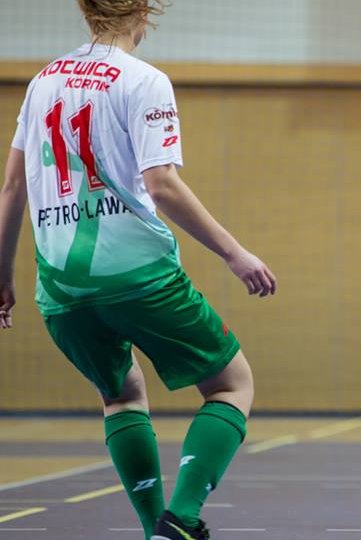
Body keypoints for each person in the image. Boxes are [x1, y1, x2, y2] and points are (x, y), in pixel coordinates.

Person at [0, 2, 277, 539]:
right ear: (142, 13)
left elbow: (12, 188)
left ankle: (157, 531)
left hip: (59, 285)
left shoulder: (41, 83)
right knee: (231, 383)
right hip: (136, 275)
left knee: (122, 396)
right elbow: (162, 185)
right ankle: (184, 514)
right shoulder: (143, 81)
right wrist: (234, 253)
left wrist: (1, 275)